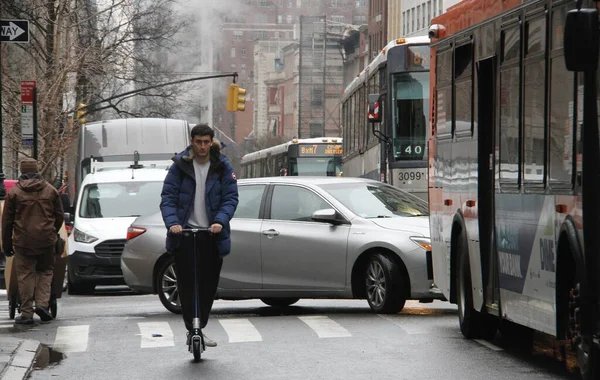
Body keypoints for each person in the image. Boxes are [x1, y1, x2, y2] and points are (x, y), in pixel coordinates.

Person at [160, 124, 239, 347]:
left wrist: (219, 222)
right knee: (186, 285)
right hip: (184, 235)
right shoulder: (179, 166)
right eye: (198, 142)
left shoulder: (221, 166)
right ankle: (192, 328)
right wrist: (173, 223)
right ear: (192, 142)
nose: (203, 147)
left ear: (211, 142)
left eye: (206, 142)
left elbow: (231, 198)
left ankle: (200, 325)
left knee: (207, 286)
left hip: (211, 235)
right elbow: (168, 198)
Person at [2, 158, 64, 325]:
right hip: (46, 239)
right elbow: (59, 216)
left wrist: (6, 245)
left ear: (21, 171)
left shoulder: (14, 193)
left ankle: (26, 312)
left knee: (25, 274)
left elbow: (7, 222)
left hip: (23, 241)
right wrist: (51, 231)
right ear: (38, 171)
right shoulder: (50, 191)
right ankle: (43, 304)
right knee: (45, 271)